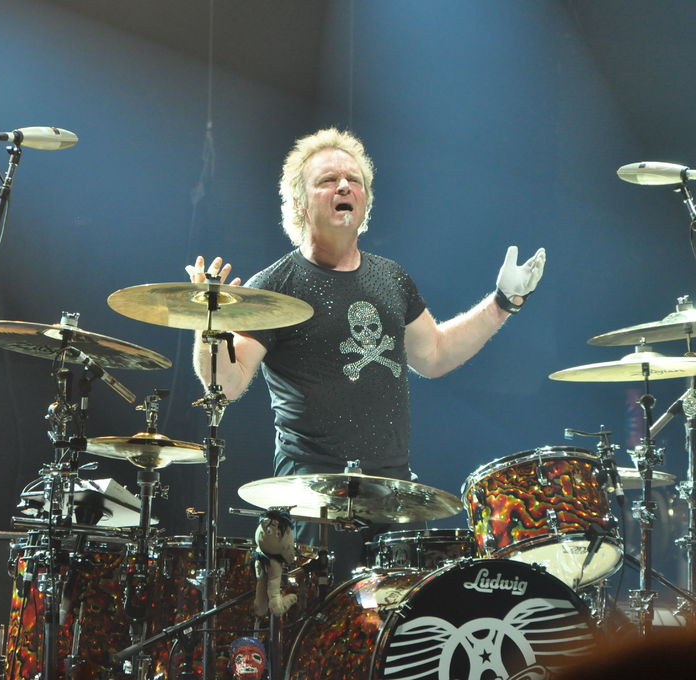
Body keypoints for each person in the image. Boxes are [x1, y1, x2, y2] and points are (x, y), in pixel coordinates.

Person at [187, 127, 545, 579]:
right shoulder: (275, 286)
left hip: (391, 492)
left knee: (396, 618)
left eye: (353, 180)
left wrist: (501, 304)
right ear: (299, 202)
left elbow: (434, 355)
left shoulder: (391, 278)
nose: (344, 186)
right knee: (315, 619)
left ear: (365, 201)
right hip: (311, 496)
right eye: (327, 180)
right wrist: (207, 324)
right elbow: (227, 382)